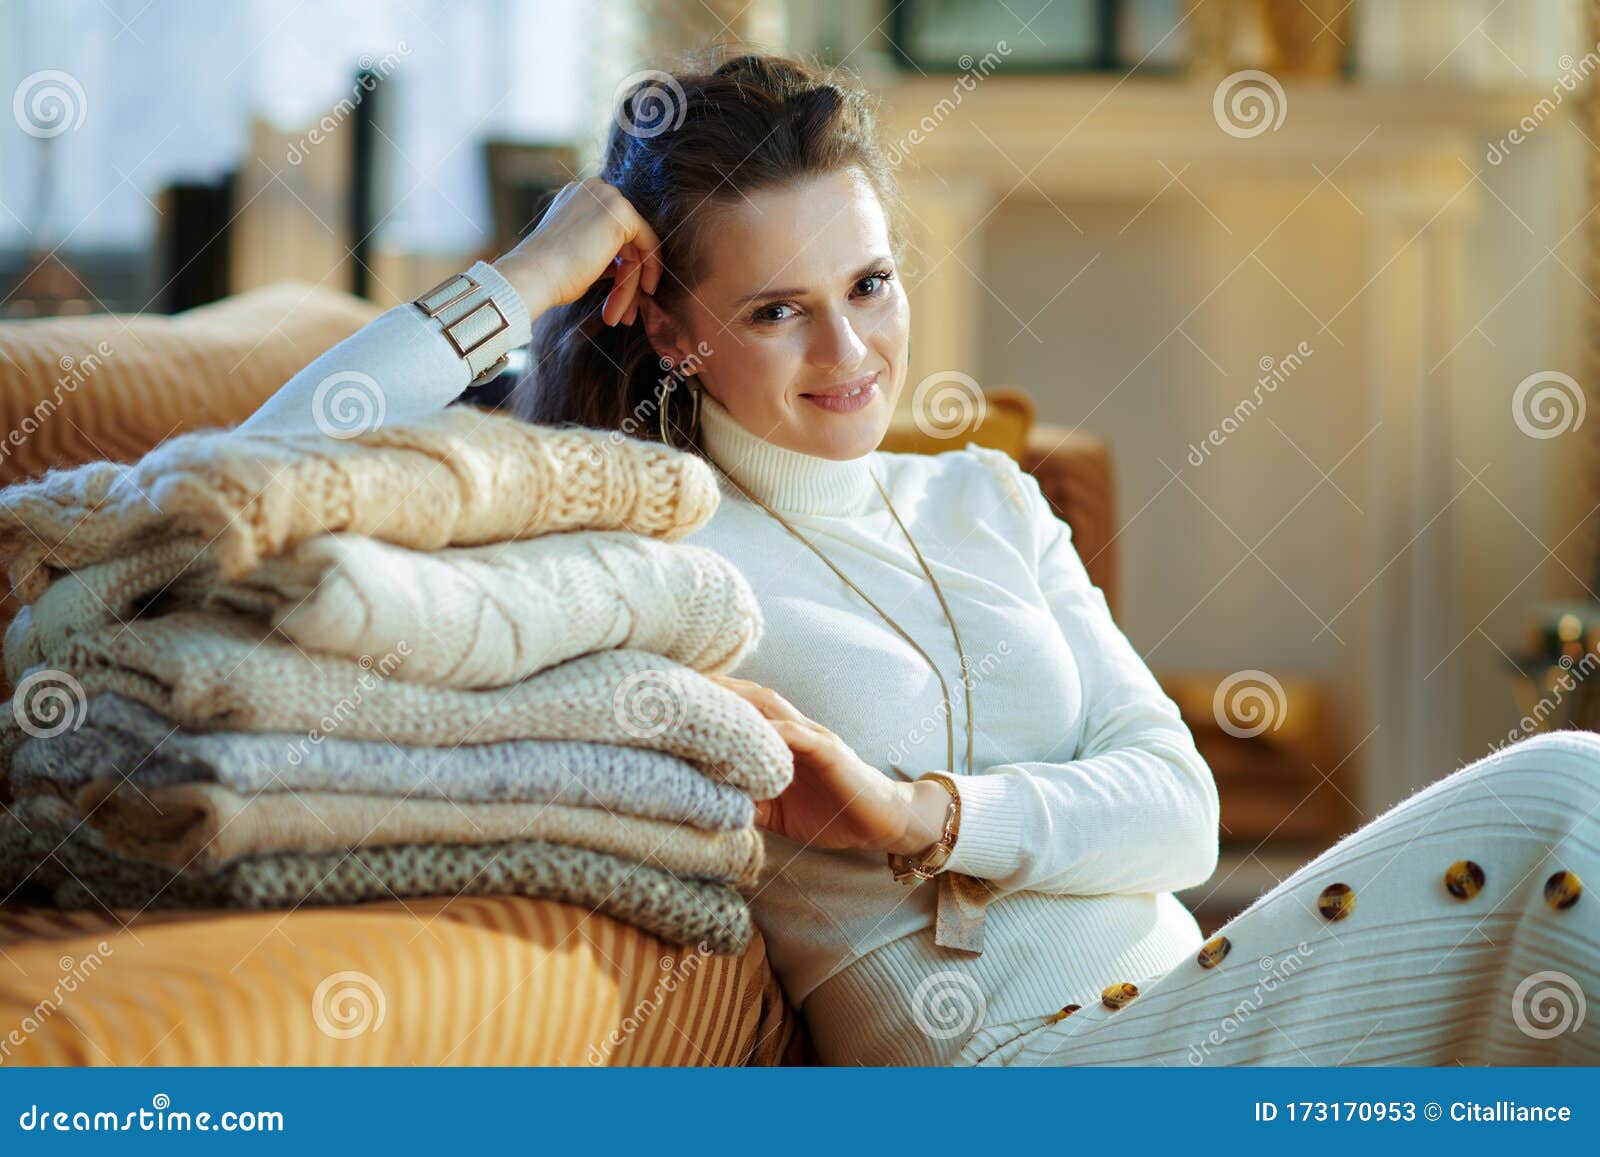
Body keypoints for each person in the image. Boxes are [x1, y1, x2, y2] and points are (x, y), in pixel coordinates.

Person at [239, 52, 1599, 1067]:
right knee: (1566, 795)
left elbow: (1180, 808)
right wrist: (538, 266)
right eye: (778, 311)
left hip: (1203, 1012)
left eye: (870, 285)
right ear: (669, 328)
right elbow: (263, 483)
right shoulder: (641, 534)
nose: (849, 357)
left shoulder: (985, 496)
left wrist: (923, 817)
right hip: (1018, 1076)